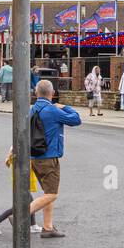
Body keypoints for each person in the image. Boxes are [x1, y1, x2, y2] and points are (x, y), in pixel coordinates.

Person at [28, 79, 82, 238]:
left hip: (34, 156)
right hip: (49, 157)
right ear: (52, 94)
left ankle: (48, 227)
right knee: (52, 194)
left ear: (36, 93)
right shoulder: (52, 110)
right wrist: (64, 106)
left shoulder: (32, 109)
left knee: (47, 192)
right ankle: (20, 215)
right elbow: (76, 119)